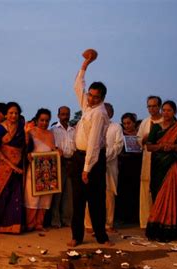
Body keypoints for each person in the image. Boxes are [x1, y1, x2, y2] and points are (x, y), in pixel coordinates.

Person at [68, 49, 112, 247]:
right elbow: (78, 85)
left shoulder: (99, 113)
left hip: (93, 161)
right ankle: (77, 236)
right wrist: (85, 65)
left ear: (102, 98)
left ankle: (101, 236)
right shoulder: (87, 107)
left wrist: (87, 169)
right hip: (79, 157)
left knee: (96, 200)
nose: (91, 98)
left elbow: (94, 143)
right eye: (90, 95)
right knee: (78, 200)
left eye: (96, 96)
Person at [145, 101, 177, 242]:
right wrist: (162, 146)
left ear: (175, 112)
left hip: (174, 166)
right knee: (158, 195)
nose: (166, 113)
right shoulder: (156, 128)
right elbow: (149, 147)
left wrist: (175, 148)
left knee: (173, 196)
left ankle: (171, 231)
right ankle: (156, 230)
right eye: (164, 110)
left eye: (169, 110)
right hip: (159, 166)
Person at [85, 103, 123, 233]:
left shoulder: (115, 126)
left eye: (107, 111)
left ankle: (108, 224)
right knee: (91, 194)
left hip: (109, 165)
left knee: (108, 195)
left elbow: (118, 145)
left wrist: (104, 157)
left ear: (111, 114)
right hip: (92, 166)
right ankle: (89, 224)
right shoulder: (93, 124)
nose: (104, 113)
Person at [0, 102, 25, 234]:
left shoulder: (21, 127)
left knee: (15, 195)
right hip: (3, 165)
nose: (13, 115)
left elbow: (24, 145)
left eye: (16, 113)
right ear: (5, 114)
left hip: (18, 164)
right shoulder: (0, 128)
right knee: (2, 194)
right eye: (11, 113)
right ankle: (0, 225)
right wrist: (10, 164)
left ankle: (15, 226)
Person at [25, 108, 58, 231]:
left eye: (47, 120)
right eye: (42, 120)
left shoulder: (50, 134)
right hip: (34, 168)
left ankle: (39, 224)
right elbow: (26, 148)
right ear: (37, 120)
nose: (44, 123)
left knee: (45, 198)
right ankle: (30, 224)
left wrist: (57, 151)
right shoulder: (31, 131)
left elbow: (53, 149)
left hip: (48, 170)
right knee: (32, 197)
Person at [137, 96, 163, 229]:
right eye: (149, 106)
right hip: (147, 159)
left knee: (161, 191)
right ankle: (146, 222)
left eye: (154, 106)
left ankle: (160, 221)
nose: (152, 109)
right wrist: (145, 139)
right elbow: (139, 141)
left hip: (162, 161)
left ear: (159, 106)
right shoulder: (145, 122)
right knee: (146, 191)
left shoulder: (166, 121)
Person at [49, 106, 75, 228]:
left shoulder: (73, 130)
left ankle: (67, 220)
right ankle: (55, 221)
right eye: (63, 114)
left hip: (71, 164)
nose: (65, 116)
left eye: (67, 114)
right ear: (58, 115)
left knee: (69, 194)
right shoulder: (53, 130)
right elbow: (51, 147)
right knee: (57, 195)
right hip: (58, 164)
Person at [116, 111, 141, 225]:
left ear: (134, 123)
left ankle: (134, 216)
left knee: (136, 191)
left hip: (137, 166)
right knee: (123, 191)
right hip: (124, 167)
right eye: (124, 123)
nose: (127, 125)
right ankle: (123, 217)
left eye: (129, 123)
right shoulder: (121, 135)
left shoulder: (139, 134)